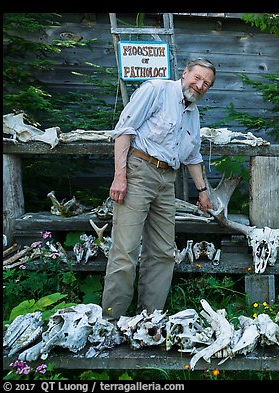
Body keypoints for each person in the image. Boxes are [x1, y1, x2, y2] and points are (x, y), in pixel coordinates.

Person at [101, 58, 216, 321]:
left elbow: (193, 156)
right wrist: (120, 177)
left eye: (206, 84)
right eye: (196, 78)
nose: (199, 85)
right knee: (126, 250)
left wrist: (203, 191)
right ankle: (109, 321)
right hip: (139, 171)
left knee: (163, 252)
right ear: (185, 73)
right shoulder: (156, 90)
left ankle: (149, 320)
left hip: (167, 181)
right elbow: (124, 131)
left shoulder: (193, 113)